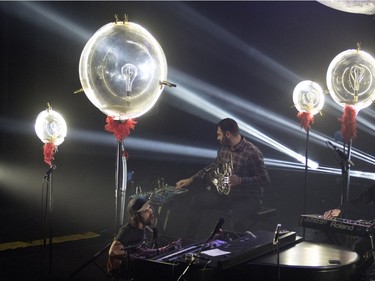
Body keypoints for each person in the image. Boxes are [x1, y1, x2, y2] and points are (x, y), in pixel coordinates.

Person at [176, 118, 270, 239]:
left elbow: (264, 179)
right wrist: (192, 179)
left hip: (248, 198)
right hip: (227, 195)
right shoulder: (224, 149)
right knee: (196, 201)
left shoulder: (252, 152)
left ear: (228, 134)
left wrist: (241, 180)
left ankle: (240, 251)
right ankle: (186, 241)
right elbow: (213, 166)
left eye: (219, 134)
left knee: (236, 222)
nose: (218, 138)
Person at [108, 195, 181, 280]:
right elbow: (112, 251)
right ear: (137, 216)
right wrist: (136, 258)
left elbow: (142, 251)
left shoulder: (144, 229)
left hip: (135, 268)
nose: (151, 211)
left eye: (149, 208)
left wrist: (166, 248)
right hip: (124, 272)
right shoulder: (127, 230)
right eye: (146, 210)